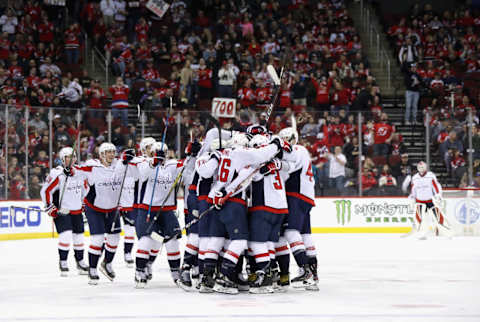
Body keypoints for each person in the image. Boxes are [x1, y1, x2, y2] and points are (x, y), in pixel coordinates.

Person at [196, 133, 289, 294]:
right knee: (240, 240)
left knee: (217, 239)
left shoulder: (220, 153)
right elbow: (260, 157)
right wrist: (276, 143)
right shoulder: (242, 154)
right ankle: (225, 277)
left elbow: (205, 172)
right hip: (232, 202)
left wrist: (220, 190)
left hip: (215, 199)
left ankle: (207, 277)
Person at [75, 142, 132, 284]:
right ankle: (92, 269)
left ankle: (106, 263)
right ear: (101, 155)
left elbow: (138, 168)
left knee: (114, 239)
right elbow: (75, 172)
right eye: (108, 152)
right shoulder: (92, 166)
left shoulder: (120, 165)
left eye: (113, 151)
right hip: (94, 209)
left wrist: (130, 157)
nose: (112, 154)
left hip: (112, 209)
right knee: (98, 239)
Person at [40, 147, 88, 276]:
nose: (72, 159)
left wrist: (84, 203)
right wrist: (50, 207)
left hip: (77, 211)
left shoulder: (80, 172)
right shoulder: (57, 173)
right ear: (62, 159)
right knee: (65, 236)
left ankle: (80, 261)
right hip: (63, 211)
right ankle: (63, 262)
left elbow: (85, 189)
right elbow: (46, 191)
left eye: (73, 156)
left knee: (79, 237)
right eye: (68, 157)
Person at [408, 161, 452, 239]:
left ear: (425, 167)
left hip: (430, 201)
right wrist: (412, 197)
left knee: (438, 216)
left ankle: (446, 231)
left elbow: (436, 185)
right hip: (420, 201)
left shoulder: (430, 176)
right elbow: (413, 189)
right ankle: (421, 233)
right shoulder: (415, 177)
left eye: (422, 167)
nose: (421, 169)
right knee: (420, 218)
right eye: (419, 167)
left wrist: (438, 195)